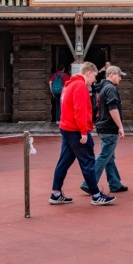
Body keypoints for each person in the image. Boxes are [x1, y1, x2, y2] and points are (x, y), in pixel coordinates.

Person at [49, 61, 116, 205]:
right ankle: (96, 195)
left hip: (66, 127)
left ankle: (56, 193)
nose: (95, 80)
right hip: (76, 129)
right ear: (88, 73)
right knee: (88, 161)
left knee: (64, 161)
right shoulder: (80, 86)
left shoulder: (69, 85)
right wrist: (84, 132)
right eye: (94, 76)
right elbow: (80, 110)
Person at [82, 65, 128, 195]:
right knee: (105, 156)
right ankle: (89, 183)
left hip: (102, 126)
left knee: (109, 156)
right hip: (109, 127)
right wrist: (120, 126)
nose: (120, 78)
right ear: (112, 75)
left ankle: (115, 183)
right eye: (119, 75)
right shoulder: (111, 88)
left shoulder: (101, 88)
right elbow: (113, 109)